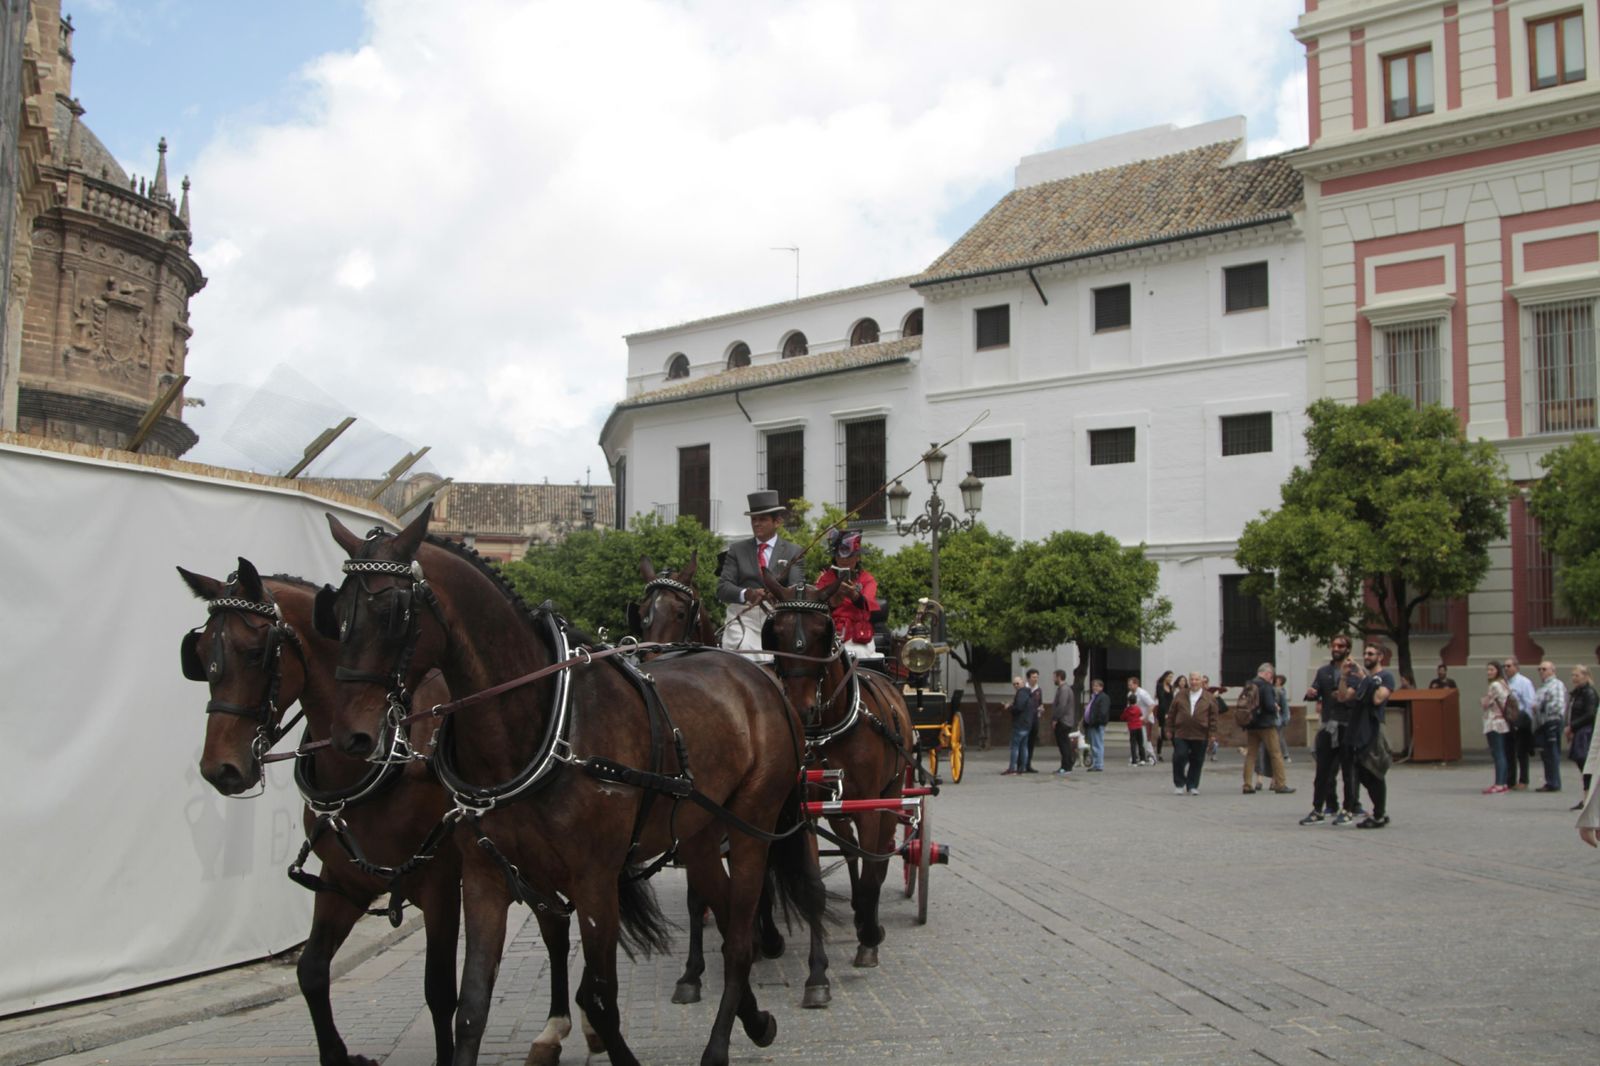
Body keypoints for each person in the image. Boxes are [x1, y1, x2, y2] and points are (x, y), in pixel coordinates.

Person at [716, 490, 805, 660]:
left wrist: (777, 593)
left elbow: (798, 590)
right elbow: (722, 588)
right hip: (743, 617)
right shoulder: (737, 550)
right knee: (744, 653)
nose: (756, 524)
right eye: (753, 519)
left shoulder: (794, 551)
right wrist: (747, 593)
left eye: (762, 519)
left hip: (778, 619)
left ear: (777, 521)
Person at [1301, 636, 1359, 825]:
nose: (1336, 648)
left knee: (1348, 771)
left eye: (1340, 646)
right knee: (1322, 770)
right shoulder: (1323, 671)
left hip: (1347, 725)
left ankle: (1348, 808)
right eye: (1333, 645)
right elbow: (1316, 691)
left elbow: (1352, 697)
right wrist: (1311, 692)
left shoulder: (1355, 672)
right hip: (1327, 724)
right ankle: (1318, 809)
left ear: (1348, 649)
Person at [1338, 641, 1395, 828]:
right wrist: (1344, 677)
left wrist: (1365, 679)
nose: (1367, 657)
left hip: (1372, 729)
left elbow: (1378, 698)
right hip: (1356, 729)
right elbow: (1344, 697)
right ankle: (1379, 811)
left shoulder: (1386, 677)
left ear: (1380, 657)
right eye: (1366, 653)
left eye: (1371, 654)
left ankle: (1379, 815)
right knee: (1361, 772)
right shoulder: (1361, 678)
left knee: (1374, 771)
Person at [814, 529, 878, 660]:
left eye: (849, 556)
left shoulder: (867, 579)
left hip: (857, 635)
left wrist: (852, 594)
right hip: (829, 633)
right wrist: (833, 602)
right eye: (839, 556)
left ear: (857, 557)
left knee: (858, 655)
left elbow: (868, 603)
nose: (844, 560)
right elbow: (816, 606)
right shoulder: (824, 579)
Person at [1242, 662, 1293, 795]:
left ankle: (1247, 785)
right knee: (1276, 754)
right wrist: (1276, 707)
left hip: (1251, 724)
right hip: (1266, 725)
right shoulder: (1266, 686)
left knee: (1251, 755)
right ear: (1268, 673)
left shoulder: (1249, 685)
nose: (1272, 678)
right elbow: (1270, 706)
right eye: (1271, 675)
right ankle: (1280, 784)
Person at [1165, 671, 1218, 795]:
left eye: (1197, 680)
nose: (1194, 682)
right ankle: (1179, 783)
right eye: (1192, 679)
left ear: (1201, 682)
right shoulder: (1180, 695)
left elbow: (1214, 717)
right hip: (1181, 732)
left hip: (1200, 733)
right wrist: (1168, 729)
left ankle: (1192, 785)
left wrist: (1212, 733)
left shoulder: (1209, 697)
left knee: (1197, 760)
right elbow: (1172, 712)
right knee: (1179, 756)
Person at [1532, 660, 1568, 792]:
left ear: (1553, 670)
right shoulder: (1543, 686)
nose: (1541, 672)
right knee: (1545, 754)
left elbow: (1558, 705)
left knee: (1552, 753)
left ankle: (1554, 783)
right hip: (1543, 724)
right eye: (1540, 669)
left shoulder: (1556, 685)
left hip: (1552, 722)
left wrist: (1540, 706)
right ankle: (1550, 781)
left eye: (1544, 669)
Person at [1503, 657, 1538, 791]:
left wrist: (1525, 721)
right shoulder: (1505, 682)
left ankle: (1524, 780)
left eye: (1509, 666)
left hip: (1521, 720)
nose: (1506, 669)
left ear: (1516, 667)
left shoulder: (1524, 682)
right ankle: (1510, 780)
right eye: (1505, 666)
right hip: (1509, 721)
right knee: (1509, 751)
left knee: (1522, 752)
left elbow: (1530, 702)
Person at [1566, 665, 1597, 810]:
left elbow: (1590, 714)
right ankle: (1587, 796)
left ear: (1586, 676)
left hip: (1586, 733)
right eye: (1573, 675)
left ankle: (1589, 797)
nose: (1574, 678)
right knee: (1583, 765)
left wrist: (1572, 726)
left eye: (1577, 675)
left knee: (1587, 765)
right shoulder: (1577, 693)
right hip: (1580, 732)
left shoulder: (1589, 693)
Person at [1481, 661, 1513, 794]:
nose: (1489, 672)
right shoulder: (1504, 683)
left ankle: (1499, 783)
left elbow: (1485, 703)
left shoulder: (1494, 685)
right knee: (1502, 753)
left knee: (1498, 753)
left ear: (1497, 671)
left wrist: (1483, 701)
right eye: (1488, 670)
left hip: (1494, 722)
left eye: (1492, 670)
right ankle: (1503, 782)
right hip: (1503, 722)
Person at [1050, 669, 1078, 775]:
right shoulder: (1063, 689)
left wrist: (1055, 719)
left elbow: (1062, 706)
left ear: (1059, 677)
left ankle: (1066, 766)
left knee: (1064, 744)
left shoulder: (1064, 690)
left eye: (1054, 677)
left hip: (1063, 721)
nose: (1053, 679)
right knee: (1064, 744)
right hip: (1065, 720)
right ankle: (1065, 765)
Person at [1003, 677, 1032, 776]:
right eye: (1014, 684)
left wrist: (1010, 707)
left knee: (1015, 747)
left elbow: (1019, 708)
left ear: (1023, 683)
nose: (1015, 685)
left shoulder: (1021, 693)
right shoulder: (1027, 693)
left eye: (1017, 683)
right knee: (1024, 746)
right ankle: (1022, 768)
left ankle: (1012, 769)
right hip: (1027, 723)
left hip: (1020, 724)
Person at [1126, 676, 1155, 766]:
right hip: (1135, 720)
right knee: (1138, 739)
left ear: (1136, 684)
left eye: (1131, 685)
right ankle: (1138, 756)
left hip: (1145, 719)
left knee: (1146, 739)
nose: (1129, 687)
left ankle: (1151, 756)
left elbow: (1152, 704)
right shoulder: (1129, 694)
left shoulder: (1142, 693)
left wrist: (1146, 717)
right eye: (1128, 685)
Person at [1082, 679, 1109, 772]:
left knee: (1097, 744)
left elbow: (1103, 712)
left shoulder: (1103, 697)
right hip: (1091, 724)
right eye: (1094, 686)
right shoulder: (1094, 697)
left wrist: (1097, 722)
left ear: (1101, 687)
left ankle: (1099, 764)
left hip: (1097, 725)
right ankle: (1096, 763)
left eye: (1097, 686)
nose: (1095, 688)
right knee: (1094, 745)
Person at [1022, 669, 1043, 772]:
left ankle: (1028, 764)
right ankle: (1022, 764)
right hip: (1026, 720)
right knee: (1024, 742)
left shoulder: (1038, 690)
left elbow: (1040, 703)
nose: (1035, 679)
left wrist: (1041, 708)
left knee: (1031, 743)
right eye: (1033, 677)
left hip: (1035, 720)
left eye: (1036, 677)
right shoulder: (1024, 690)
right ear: (1028, 678)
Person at [1152, 670, 1175, 762]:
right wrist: (1165, 712)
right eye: (1169, 677)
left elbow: (1171, 700)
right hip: (1162, 711)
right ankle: (1159, 753)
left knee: (1173, 730)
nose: (1170, 679)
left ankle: (1176, 751)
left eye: (1171, 677)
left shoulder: (1170, 686)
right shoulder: (1160, 686)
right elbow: (1162, 699)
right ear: (1165, 677)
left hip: (1170, 711)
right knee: (1162, 732)